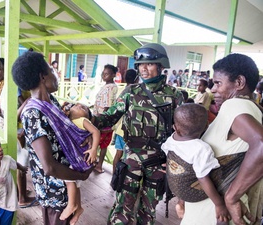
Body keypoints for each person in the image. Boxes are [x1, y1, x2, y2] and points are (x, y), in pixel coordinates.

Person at [92, 43, 183, 225]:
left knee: (148, 211)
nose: (143, 69)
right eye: (141, 65)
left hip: (158, 162)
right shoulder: (130, 93)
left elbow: (183, 133)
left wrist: (177, 161)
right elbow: (107, 119)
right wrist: (86, 118)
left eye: (149, 64)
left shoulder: (175, 96)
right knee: (123, 208)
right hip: (132, 158)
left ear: (161, 66)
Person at [12, 51, 94, 225]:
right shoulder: (33, 113)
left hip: (67, 183)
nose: (56, 75)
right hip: (54, 192)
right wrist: (81, 176)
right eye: (52, 70)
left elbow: (66, 133)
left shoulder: (52, 102)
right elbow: (49, 167)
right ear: (43, 76)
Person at [180, 53, 263, 225]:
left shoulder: (235, 105)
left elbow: (261, 144)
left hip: (214, 214)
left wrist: (232, 197)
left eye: (218, 83)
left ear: (239, 83)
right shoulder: (252, 108)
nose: (213, 89)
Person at [161, 103, 231, 224]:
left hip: (175, 185)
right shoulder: (201, 149)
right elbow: (203, 178)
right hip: (191, 193)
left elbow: (167, 152)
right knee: (219, 177)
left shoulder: (172, 138)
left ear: (175, 128)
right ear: (206, 126)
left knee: (186, 171)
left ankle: (181, 202)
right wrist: (219, 204)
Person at [60, 102, 100, 222]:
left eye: (84, 108)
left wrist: (93, 149)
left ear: (86, 116)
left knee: (68, 179)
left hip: (79, 158)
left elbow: (96, 132)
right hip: (76, 157)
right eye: (76, 105)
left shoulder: (82, 120)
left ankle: (71, 205)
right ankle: (79, 208)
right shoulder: (68, 120)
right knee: (76, 185)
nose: (79, 106)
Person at [93, 64, 118, 173]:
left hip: (102, 121)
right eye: (103, 73)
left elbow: (107, 106)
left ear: (113, 75)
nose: (104, 75)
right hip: (109, 122)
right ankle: (99, 165)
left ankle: (93, 163)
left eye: (107, 74)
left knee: (95, 142)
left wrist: (100, 122)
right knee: (103, 145)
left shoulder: (110, 87)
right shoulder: (110, 86)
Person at [112, 69, 138, 172]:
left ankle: (114, 178)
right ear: (137, 79)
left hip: (119, 130)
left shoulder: (121, 90)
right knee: (130, 158)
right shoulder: (136, 93)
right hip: (130, 132)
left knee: (118, 154)